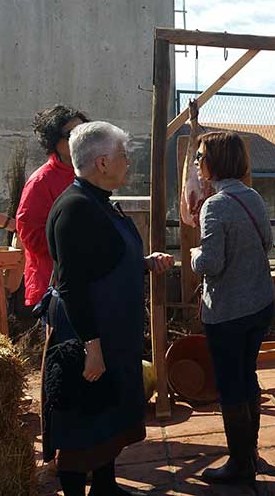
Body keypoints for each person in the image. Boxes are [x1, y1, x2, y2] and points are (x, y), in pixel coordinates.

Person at [43, 122, 174, 496]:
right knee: (82, 423)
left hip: (115, 334)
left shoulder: (101, 204)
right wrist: (92, 348)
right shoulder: (75, 210)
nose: (128, 163)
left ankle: (106, 487)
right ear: (102, 162)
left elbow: (103, 260)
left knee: (109, 419)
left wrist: (144, 262)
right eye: (123, 156)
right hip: (88, 335)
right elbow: (72, 285)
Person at [190, 131, 275, 484]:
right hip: (260, 304)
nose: (197, 162)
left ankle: (239, 463)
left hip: (228, 312)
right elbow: (268, 242)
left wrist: (195, 257)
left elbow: (211, 263)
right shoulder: (252, 196)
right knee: (247, 375)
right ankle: (250, 454)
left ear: (214, 163)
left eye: (200, 156)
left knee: (230, 384)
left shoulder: (216, 204)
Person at [16, 105, 89, 315]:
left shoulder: (91, 172)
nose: (81, 138)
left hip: (88, 282)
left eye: (84, 130)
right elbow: (30, 235)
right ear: (54, 142)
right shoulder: (40, 182)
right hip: (55, 286)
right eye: (72, 134)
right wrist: (73, 245)